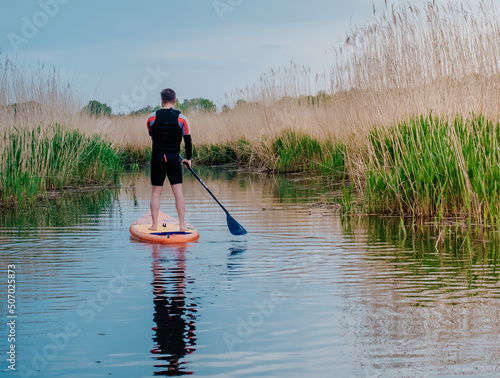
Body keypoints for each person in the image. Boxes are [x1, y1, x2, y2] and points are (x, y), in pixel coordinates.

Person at [147, 88, 192, 231]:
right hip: (174, 158)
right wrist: (188, 159)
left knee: (156, 192)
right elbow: (188, 140)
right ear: (175, 100)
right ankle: (182, 225)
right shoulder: (182, 118)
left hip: (158, 157)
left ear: (161, 100)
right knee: (178, 192)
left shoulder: (152, 117)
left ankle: (154, 225)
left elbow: (151, 133)